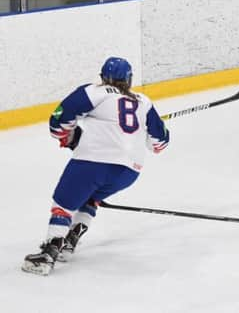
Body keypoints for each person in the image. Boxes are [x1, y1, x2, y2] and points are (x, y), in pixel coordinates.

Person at [22, 57, 170, 276]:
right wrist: (154, 132)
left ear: (103, 77)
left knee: (63, 203)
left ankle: (49, 253)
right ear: (129, 79)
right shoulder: (143, 101)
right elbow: (159, 143)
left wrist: (68, 137)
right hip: (129, 171)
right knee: (90, 198)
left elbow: (59, 120)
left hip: (93, 162)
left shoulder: (94, 92)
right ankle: (71, 239)